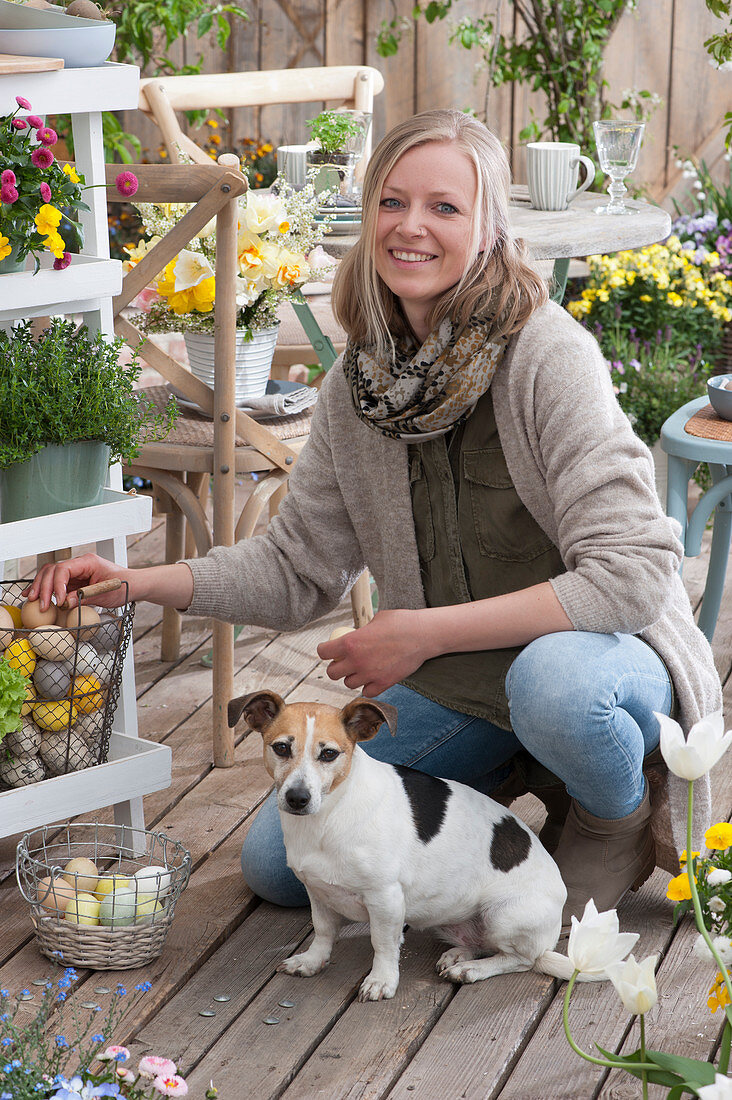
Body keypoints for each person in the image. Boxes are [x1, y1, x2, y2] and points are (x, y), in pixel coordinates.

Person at [28, 109, 721, 928]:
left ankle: (611, 812)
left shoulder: (547, 356)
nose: (411, 227)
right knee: (284, 868)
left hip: (597, 672)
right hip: (466, 691)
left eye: (444, 208)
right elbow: (296, 565)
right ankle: (514, 777)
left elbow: (635, 574)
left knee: (554, 683)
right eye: (392, 202)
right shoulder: (362, 386)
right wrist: (137, 580)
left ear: (491, 228)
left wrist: (423, 632)